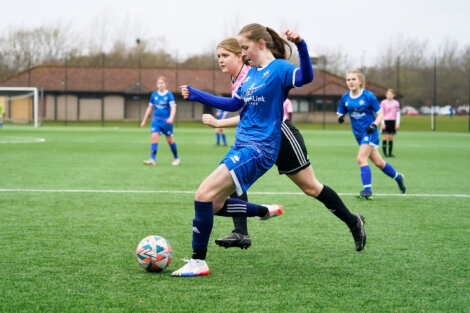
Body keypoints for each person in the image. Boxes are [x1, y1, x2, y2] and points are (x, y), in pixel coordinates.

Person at [171, 24, 313, 277]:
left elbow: (305, 78)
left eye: (243, 48)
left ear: (258, 45)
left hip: (259, 148)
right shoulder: (252, 75)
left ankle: (198, 261)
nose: (243, 53)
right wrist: (196, 94)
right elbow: (236, 104)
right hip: (242, 145)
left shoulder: (278, 69)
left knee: (203, 194)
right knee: (213, 203)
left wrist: (301, 44)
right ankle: (263, 211)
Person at [204, 37, 366, 254]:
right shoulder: (238, 79)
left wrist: (219, 122)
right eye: (219, 56)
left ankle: (353, 221)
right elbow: (247, 114)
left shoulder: (251, 73)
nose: (221, 60)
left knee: (311, 187)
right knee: (234, 176)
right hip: (256, 140)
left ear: (239, 56)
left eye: (226, 55)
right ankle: (241, 232)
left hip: (281, 135)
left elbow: (253, 111)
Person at [337, 70, 406, 199]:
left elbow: (380, 114)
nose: (350, 82)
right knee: (379, 162)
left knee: (360, 158)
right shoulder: (345, 97)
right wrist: (341, 117)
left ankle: (367, 190)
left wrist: (374, 125)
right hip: (357, 133)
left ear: (360, 82)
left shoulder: (368, 96)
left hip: (370, 132)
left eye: (353, 79)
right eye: (348, 80)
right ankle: (398, 177)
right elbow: (341, 112)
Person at [140, 76, 180, 166]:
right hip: (156, 121)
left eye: (162, 83)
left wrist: (171, 118)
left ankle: (176, 157)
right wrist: (144, 120)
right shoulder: (154, 95)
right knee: (154, 137)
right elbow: (149, 108)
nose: (160, 85)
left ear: (166, 84)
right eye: (159, 83)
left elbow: (173, 108)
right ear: (156, 85)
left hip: (166, 122)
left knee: (169, 140)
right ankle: (152, 159)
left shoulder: (169, 95)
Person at [380, 89, 400, 157]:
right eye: (388, 94)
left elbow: (398, 114)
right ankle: (385, 153)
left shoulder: (396, 103)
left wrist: (397, 123)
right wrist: (382, 123)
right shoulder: (383, 102)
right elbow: (381, 113)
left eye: (390, 94)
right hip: (385, 121)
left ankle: (390, 153)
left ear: (393, 95)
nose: (389, 96)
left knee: (391, 137)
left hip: (392, 121)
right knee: (385, 137)